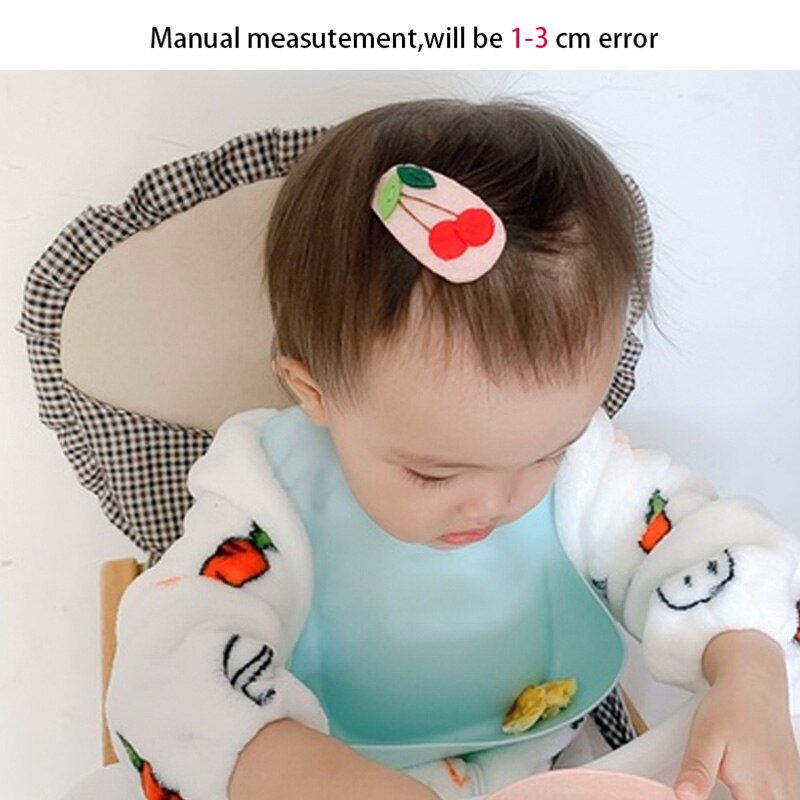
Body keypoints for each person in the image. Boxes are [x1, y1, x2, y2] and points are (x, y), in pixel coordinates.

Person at [106, 98, 800, 800]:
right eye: (435, 473)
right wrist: (289, 767)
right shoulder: (269, 489)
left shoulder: (588, 471)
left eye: (546, 454)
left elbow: (700, 546)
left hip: (549, 767)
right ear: (314, 391)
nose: (497, 501)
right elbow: (176, 657)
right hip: (323, 773)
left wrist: (748, 665)